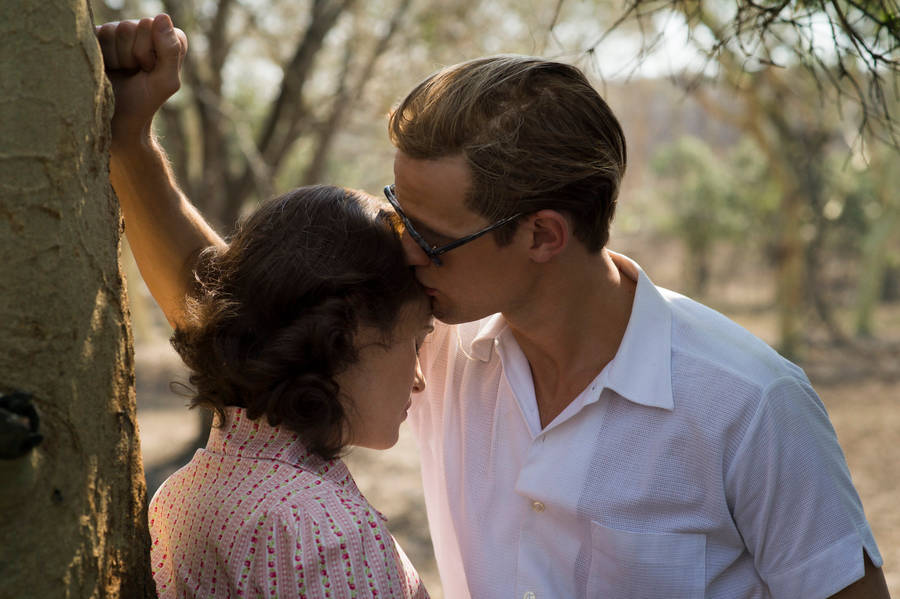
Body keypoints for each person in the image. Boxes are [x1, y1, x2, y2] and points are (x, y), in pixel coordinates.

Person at [98, 14, 890, 599]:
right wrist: (131, 141)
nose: (401, 252)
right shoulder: (436, 337)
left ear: (544, 233)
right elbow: (247, 312)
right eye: (396, 212)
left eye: (431, 235)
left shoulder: (750, 403)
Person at [97, 18, 431, 599]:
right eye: (415, 341)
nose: (423, 377)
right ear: (346, 329)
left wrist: (129, 137)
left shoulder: (189, 489)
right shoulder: (320, 532)